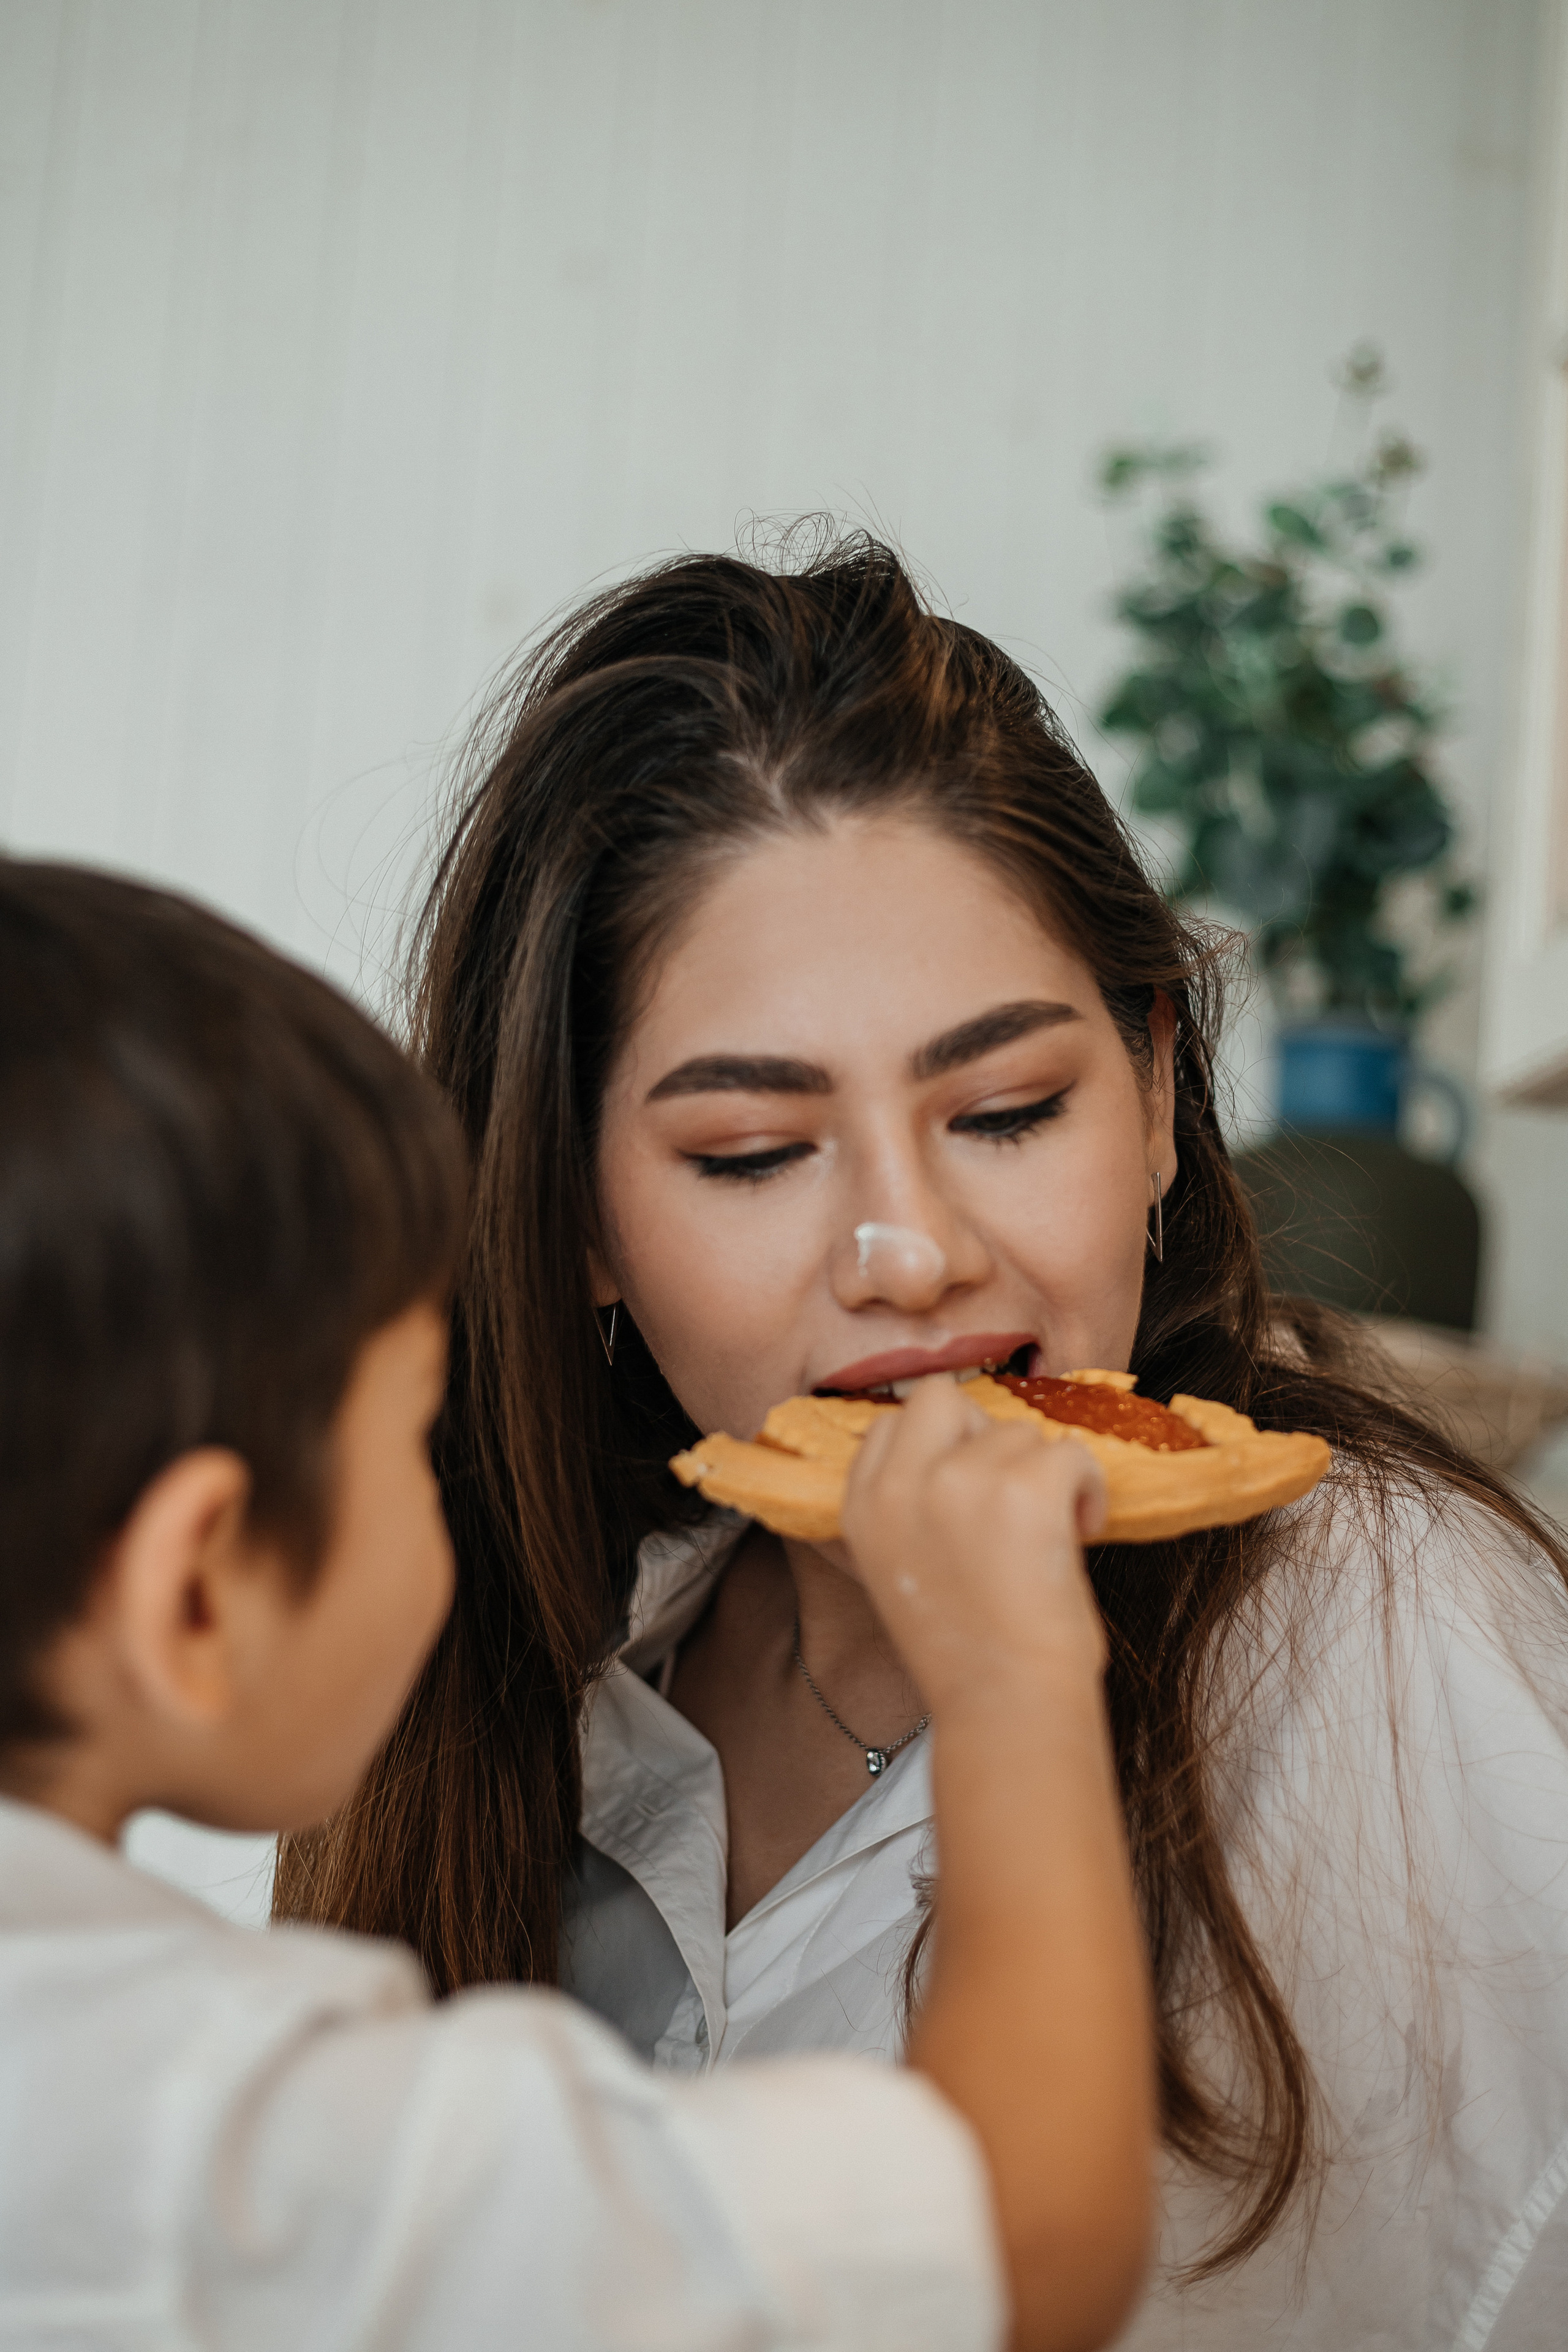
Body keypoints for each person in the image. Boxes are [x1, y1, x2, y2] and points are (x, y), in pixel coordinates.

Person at [277, 531, 1568, 2348]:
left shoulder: (1383, 1635)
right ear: (574, 1218)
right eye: (752, 1152)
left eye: (1011, 1107)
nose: (914, 1250)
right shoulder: (517, 1689)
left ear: (1154, 1097)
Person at [0, 857, 1155, 2352]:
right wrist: (1012, 1682)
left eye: (1002, 1112)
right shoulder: (224, 2137)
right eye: (408, 1436)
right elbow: (1027, 2243)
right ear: (195, 1594)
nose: (910, 1254)